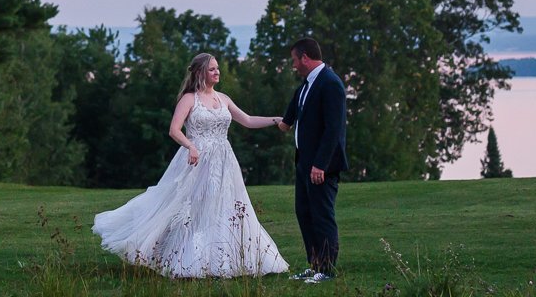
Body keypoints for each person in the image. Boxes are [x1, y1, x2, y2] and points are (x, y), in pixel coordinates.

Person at [91, 52, 289, 278]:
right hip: (195, 160)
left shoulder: (223, 98)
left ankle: (223, 257)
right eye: (212, 69)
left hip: (223, 160)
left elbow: (248, 120)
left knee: (222, 205)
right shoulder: (189, 99)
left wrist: (278, 120)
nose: (217, 72)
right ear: (200, 72)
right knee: (188, 206)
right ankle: (178, 254)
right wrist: (191, 146)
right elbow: (174, 130)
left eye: (218, 68)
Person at [278, 38, 348, 282]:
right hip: (304, 163)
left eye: (295, 60)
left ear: (305, 57)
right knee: (304, 212)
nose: (294, 65)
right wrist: (280, 122)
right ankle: (315, 263)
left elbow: (333, 130)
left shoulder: (330, 83)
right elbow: (290, 117)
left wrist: (321, 164)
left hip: (321, 166)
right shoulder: (307, 84)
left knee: (322, 214)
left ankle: (327, 270)